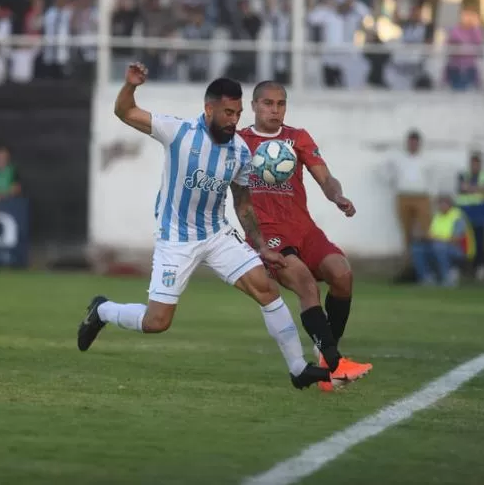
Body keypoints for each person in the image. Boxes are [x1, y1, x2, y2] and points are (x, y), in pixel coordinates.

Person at [77, 64, 331, 390]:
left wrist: (261, 244)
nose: (233, 120)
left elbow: (243, 204)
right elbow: (124, 111)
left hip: (216, 234)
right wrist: (130, 86)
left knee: (267, 290)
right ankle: (103, 311)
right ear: (208, 108)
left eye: (238, 113)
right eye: (227, 112)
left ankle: (298, 369)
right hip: (176, 239)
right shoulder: (177, 132)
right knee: (157, 323)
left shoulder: (239, 150)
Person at [238, 81, 372, 392]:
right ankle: (336, 365)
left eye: (281, 104)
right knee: (306, 285)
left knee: (343, 274)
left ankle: (326, 350)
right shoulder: (240, 141)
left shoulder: (296, 138)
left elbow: (326, 177)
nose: (275, 110)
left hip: (303, 228)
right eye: (268, 103)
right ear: (255, 105)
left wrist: (337, 196)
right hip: (268, 233)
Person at [413, 195, 474, 287]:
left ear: (450, 205)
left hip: (457, 249)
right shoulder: (437, 216)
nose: (441, 206)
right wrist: (424, 236)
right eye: (439, 204)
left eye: (443, 204)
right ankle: (426, 278)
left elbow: (456, 239)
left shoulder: (457, 217)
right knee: (417, 248)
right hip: (437, 245)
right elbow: (431, 234)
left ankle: (447, 278)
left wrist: (437, 239)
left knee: (439, 247)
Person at [455, 152, 484, 281]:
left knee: (480, 243)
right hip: (464, 215)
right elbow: (462, 188)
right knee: (464, 244)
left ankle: (480, 267)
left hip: (480, 215)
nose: (475, 166)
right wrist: (478, 188)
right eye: (473, 163)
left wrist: (471, 188)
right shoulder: (463, 175)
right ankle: (463, 268)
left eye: (477, 163)